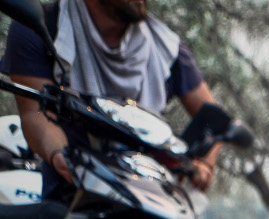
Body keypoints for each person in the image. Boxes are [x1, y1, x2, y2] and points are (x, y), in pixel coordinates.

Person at [0, 0, 220, 200]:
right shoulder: (42, 28)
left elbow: (215, 120)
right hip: (72, 198)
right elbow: (35, 114)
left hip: (153, 199)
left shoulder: (168, 50)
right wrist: (60, 154)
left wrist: (204, 164)